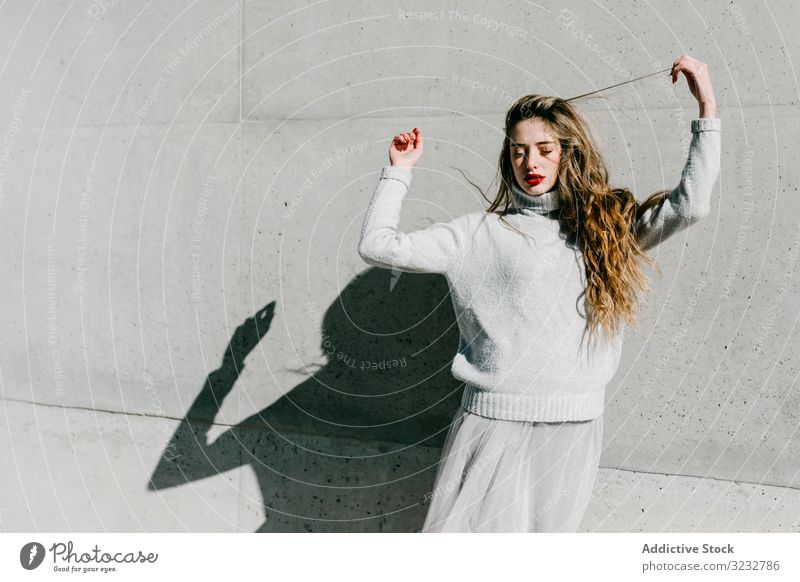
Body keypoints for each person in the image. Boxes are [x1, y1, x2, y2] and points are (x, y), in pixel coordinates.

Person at [357, 55, 720, 532]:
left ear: (567, 152)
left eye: (545, 148)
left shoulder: (605, 229)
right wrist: (398, 171)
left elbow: (689, 206)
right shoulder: (477, 233)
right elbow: (377, 245)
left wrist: (706, 105)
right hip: (494, 423)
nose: (531, 162)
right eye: (519, 150)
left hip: (575, 424)